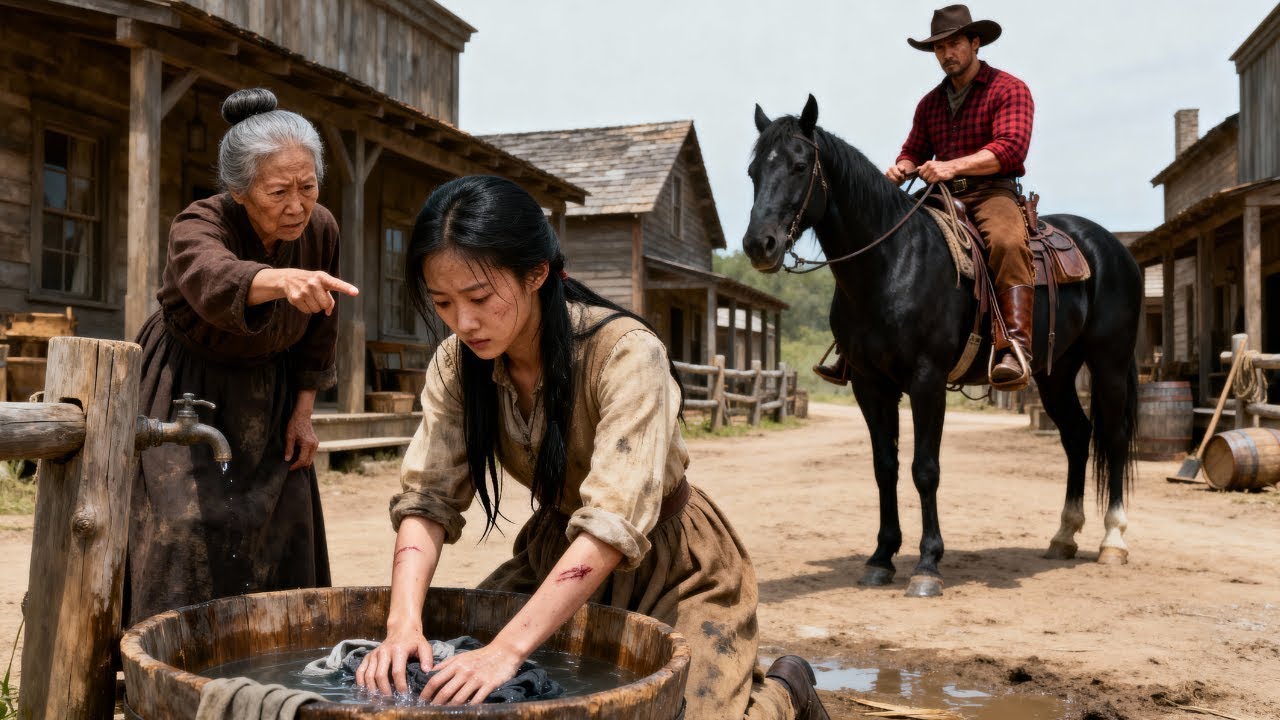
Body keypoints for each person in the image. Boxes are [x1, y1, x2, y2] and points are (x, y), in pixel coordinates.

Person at [356, 175, 830, 719]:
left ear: (536, 273)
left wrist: (506, 651)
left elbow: (610, 525)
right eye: (442, 301)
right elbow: (426, 502)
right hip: (554, 555)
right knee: (438, 681)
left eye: (480, 297)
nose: (464, 322)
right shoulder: (455, 364)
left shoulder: (626, 355)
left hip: (674, 568)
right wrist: (402, 627)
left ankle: (788, 691)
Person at [126, 88, 359, 625]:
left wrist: (304, 413)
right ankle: (167, 659)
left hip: (271, 395)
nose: (297, 205)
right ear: (239, 189)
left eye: (308, 186)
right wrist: (277, 281)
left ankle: (276, 654)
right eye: (278, 191)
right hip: (186, 386)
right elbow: (211, 277)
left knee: (285, 525)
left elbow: (321, 332)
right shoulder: (197, 223)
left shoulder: (321, 228)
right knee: (182, 528)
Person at [814, 3, 1036, 391]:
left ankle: (1014, 344)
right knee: (875, 240)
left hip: (990, 194)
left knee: (1007, 242)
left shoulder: (1009, 89)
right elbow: (914, 149)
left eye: (954, 44)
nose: (946, 54)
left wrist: (952, 166)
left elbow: (1010, 148)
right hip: (939, 196)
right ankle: (852, 344)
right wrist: (902, 167)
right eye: (939, 48)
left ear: (975, 42)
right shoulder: (930, 103)